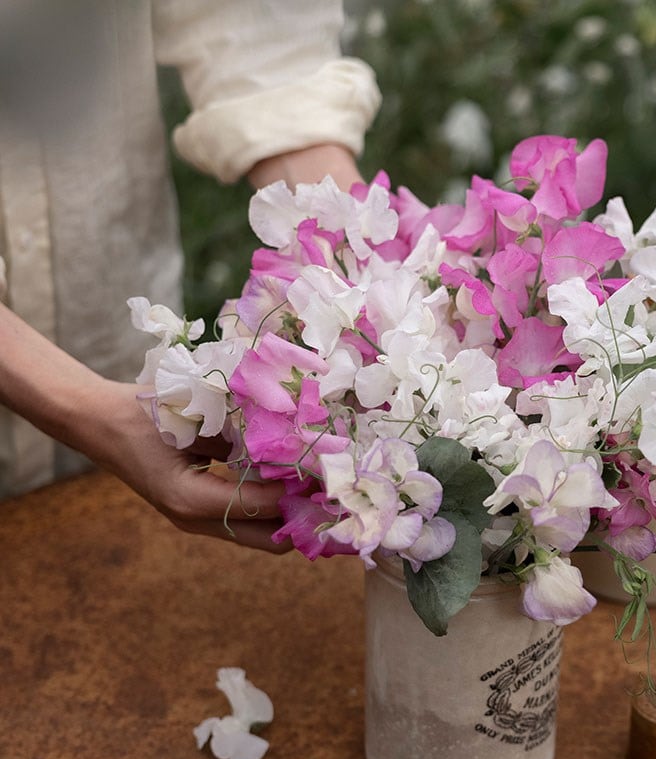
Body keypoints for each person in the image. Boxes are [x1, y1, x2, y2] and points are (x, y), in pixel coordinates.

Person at [0, 0, 380, 550]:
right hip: (134, 408)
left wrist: (343, 241)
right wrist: (85, 410)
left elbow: (251, 26)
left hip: (119, 346)